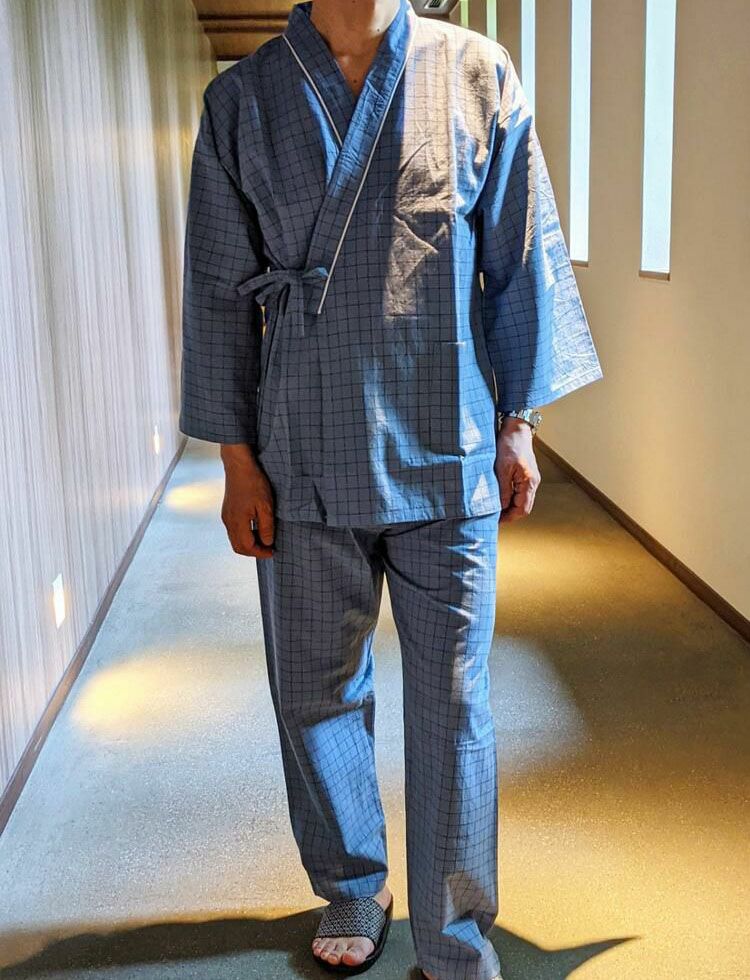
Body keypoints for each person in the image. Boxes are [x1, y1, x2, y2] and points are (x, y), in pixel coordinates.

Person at [179, 0, 603, 976]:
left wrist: (518, 421)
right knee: (313, 687)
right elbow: (215, 286)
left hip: (447, 442)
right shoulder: (243, 98)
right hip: (300, 445)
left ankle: (455, 928)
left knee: (455, 701)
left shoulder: (478, 73)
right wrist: (236, 457)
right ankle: (351, 881)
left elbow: (519, 259)